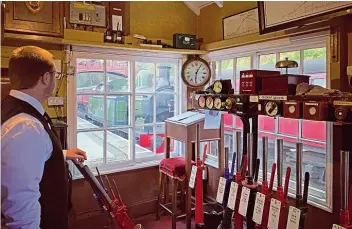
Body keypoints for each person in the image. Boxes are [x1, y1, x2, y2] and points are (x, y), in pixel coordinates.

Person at [1, 46, 87, 229]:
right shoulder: (25, 127)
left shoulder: (11, 109)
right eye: (55, 74)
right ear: (46, 78)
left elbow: (25, 160)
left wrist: (61, 153)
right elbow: (20, 205)